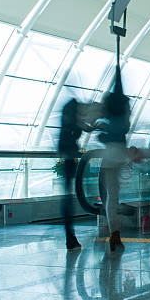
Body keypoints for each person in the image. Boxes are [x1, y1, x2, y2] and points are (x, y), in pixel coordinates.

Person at [97, 67, 130, 252]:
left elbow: (101, 124)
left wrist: (104, 132)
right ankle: (116, 235)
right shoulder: (125, 102)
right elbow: (126, 127)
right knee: (115, 195)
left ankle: (113, 233)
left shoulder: (107, 101)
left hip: (108, 153)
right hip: (120, 152)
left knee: (109, 196)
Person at [58, 99, 83, 250]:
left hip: (66, 158)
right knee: (69, 196)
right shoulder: (72, 122)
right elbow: (76, 134)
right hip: (69, 159)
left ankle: (70, 235)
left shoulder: (64, 121)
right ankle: (70, 236)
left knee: (67, 195)